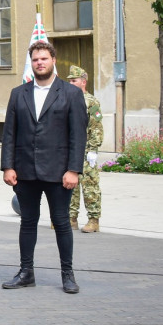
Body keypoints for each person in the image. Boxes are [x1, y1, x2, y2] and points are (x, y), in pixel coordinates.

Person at [1, 41, 88, 294]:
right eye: (36, 60)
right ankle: (26, 272)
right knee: (27, 222)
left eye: (44, 59)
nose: (40, 63)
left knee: (61, 222)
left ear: (53, 61)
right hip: (25, 171)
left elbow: (78, 135)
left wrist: (74, 170)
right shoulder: (19, 93)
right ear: (32, 63)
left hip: (59, 173)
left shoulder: (71, 93)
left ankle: (67, 274)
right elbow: (9, 133)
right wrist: (8, 166)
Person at [66, 64, 104, 233]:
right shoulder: (67, 99)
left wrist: (93, 149)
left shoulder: (91, 102)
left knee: (89, 186)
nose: (71, 84)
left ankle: (93, 220)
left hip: (86, 149)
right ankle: (71, 218)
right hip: (70, 149)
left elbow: (96, 127)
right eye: (69, 81)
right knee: (70, 185)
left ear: (83, 82)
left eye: (74, 81)